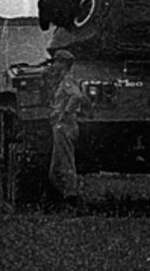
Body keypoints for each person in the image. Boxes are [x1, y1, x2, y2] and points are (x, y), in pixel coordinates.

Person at [48, 49, 88, 205]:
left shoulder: (67, 80)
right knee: (55, 170)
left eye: (57, 61)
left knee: (64, 162)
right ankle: (67, 195)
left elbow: (77, 95)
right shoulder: (65, 79)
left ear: (63, 63)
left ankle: (71, 196)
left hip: (64, 125)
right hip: (62, 123)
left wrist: (64, 113)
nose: (54, 65)